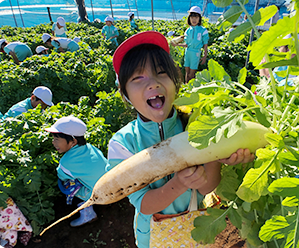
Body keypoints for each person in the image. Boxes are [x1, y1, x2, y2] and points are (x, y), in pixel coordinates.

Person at [108, 31, 254, 247]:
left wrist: (219, 156)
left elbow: (207, 188)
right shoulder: (123, 144)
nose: (153, 83)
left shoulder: (196, 125)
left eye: (161, 73)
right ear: (126, 93)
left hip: (196, 228)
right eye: (138, 78)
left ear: (175, 82)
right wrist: (179, 183)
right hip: (152, 235)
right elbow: (145, 205)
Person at [45, 116, 108, 227]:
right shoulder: (90, 147)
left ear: (73, 141)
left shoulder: (66, 163)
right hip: (115, 184)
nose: (53, 143)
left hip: (103, 195)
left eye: (57, 139)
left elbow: (62, 177)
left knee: (68, 187)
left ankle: (88, 214)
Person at [172, 6, 209, 83]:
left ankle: (191, 89)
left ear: (199, 18)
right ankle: (186, 87)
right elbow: (186, 44)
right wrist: (177, 44)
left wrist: (205, 56)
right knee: (187, 72)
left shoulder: (203, 30)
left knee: (191, 74)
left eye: (196, 17)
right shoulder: (188, 30)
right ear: (189, 19)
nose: (194, 20)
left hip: (196, 53)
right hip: (187, 52)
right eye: (192, 18)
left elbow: (205, 44)